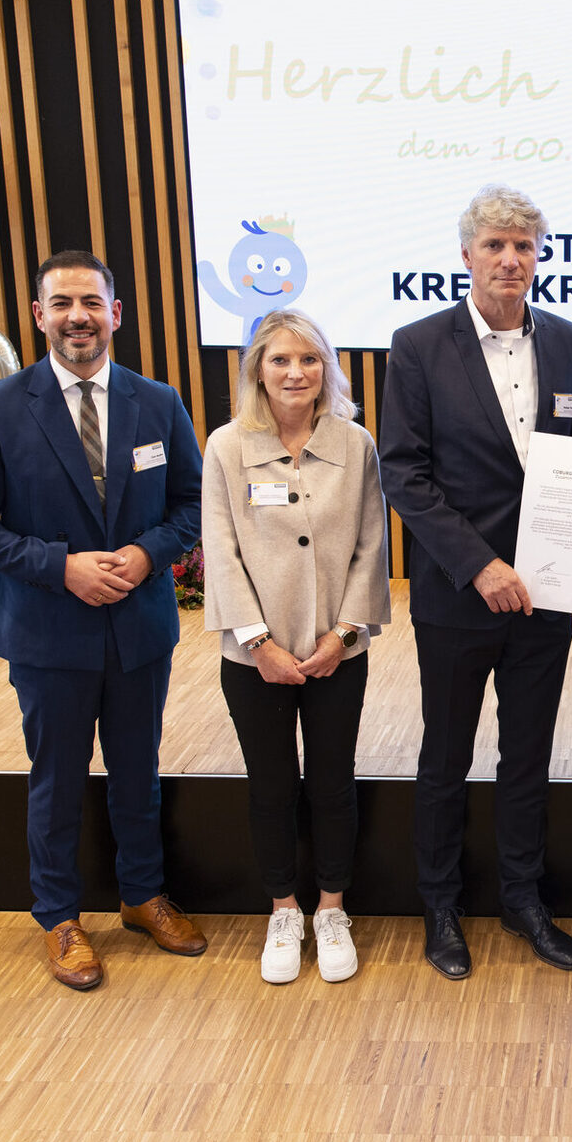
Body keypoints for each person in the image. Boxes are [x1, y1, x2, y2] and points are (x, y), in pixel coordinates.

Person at [0, 251, 205, 990]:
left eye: (91, 302)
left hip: (138, 626)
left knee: (138, 771)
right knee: (56, 779)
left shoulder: (158, 401)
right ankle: (60, 917)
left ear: (115, 313)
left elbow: (192, 505)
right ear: (39, 316)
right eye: (61, 303)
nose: (77, 316)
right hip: (47, 631)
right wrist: (61, 566)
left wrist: (147, 553)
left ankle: (143, 895)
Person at [379, 184, 572, 980]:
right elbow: (404, 472)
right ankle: (440, 906)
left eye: (524, 246)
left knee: (527, 756)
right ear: (466, 255)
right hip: (457, 595)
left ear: (538, 257)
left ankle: (521, 898)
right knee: (445, 756)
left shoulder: (567, 338)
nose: (511, 259)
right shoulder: (418, 344)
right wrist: (479, 563)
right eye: (496, 245)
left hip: (545, 596)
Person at [202, 310, 391, 985]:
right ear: (258, 369)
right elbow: (221, 550)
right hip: (256, 656)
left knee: (334, 780)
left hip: (338, 650)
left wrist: (343, 634)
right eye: (280, 359)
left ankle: (332, 909)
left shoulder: (356, 443)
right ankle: (284, 909)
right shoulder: (227, 445)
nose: (295, 372)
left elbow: (373, 544)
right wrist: (259, 642)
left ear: (327, 369)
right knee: (272, 782)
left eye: (310, 359)